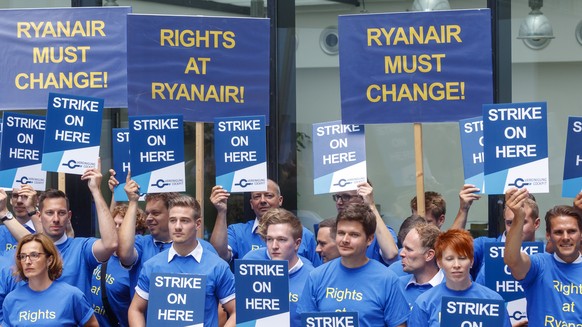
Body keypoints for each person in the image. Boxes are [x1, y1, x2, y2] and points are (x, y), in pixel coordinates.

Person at [0, 161, 118, 299]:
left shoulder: (80, 249)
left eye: (61, 213)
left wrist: (96, 191)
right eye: (49, 213)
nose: (55, 219)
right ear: (38, 216)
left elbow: (111, 244)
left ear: (69, 216)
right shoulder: (25, 255)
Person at [128, 195, 236, 327]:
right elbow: (135, 309)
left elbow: (236, 311)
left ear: (197, 224)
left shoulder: (217, 266)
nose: (177, 227)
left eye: (184, 221)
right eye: (173, 220)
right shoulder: (152, 265)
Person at [298, 203, 409, 327]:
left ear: (370, 239)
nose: (345, 240)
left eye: (354, 234)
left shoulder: (387, 280)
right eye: (341, 233)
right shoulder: (317, 277)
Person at [116, 173, 217, 298]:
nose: (148, 218)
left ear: (172, 214)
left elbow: (220, 302)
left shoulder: (203, 248)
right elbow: (125, 254)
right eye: (147, 213)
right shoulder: (141, 244)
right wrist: (132, 202)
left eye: (155, 213)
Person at [504, 188, 582, 326]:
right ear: (548, 235)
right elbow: (512, 260)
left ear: (581, 235)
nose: (565, 237)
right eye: (558, 232)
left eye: (571, 231)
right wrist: (518, 217)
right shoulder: (539, 265)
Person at [409, 229, 510, 327]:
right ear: (439, 263)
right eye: (449, 259)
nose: (456, 265)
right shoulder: (425, 303)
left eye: (462, 258)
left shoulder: (493, 300)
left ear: (471, 261)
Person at [209, 179, 320, 266]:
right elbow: (219, 256)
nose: (262, 200)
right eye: (257, 196)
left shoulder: (303, 234)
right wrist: (221, 211)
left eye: (269, 196)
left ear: (280, 200)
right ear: (251, 204)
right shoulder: (237, 232)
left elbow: (316, 274)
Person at [3, 233, 98, 326]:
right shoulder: (11, 299)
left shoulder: (72, 295)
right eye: (23, 256)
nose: (27, 261)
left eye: (34, 255)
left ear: (49, 260)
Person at [243, 208, 314, 327]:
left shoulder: (312, 276)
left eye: (281, 240)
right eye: (269, 239)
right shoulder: (251, 262)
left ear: (297, 243)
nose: (274, 246)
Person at [90, 202, 147, 327]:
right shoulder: (102, 254)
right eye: (114, 224)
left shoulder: (135, 266)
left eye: (121, 225)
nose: (115, 228)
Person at [331, 181, 399, 265]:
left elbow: (391, 254)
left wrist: (371, 205)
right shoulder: (332, 229)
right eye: (337, 197)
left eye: (346, 197)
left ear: (362, 198)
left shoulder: (378, 232)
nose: (339, 202)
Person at [398, 222, 444, 308]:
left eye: (409, 249)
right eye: (403, 247)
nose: (401, 253)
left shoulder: (453, 289)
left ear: (429, 255)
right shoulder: (397, 287)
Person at [0, 185, 38, 253]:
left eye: (25, 196)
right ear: (10, 200)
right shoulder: (2, 231)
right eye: (15, 196)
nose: (19, 201)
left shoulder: (44, 231)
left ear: (36, 200)